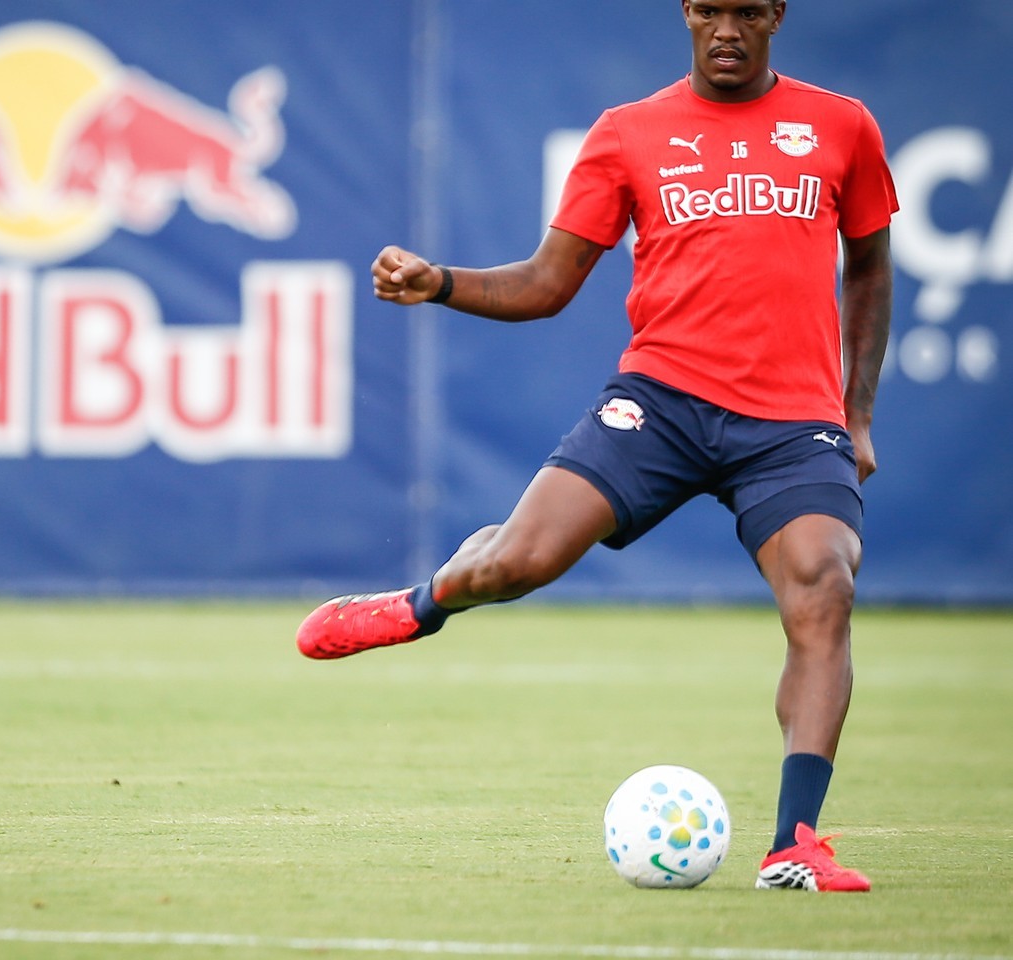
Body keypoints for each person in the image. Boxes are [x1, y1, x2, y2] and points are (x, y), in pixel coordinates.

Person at [296, 0, 896, 893]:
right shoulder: (629, 134)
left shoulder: (841, 126)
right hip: (661, 403)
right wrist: (441, 282)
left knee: (825, 586)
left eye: (744, 11)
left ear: (775, 15)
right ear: (687, 15)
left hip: (789, 421)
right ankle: (424, 603)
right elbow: (546, 284)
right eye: (706, 9)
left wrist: (857, 414)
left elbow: (872, 267)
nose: (724, 28)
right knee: (517, 560)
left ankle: (795, 844)